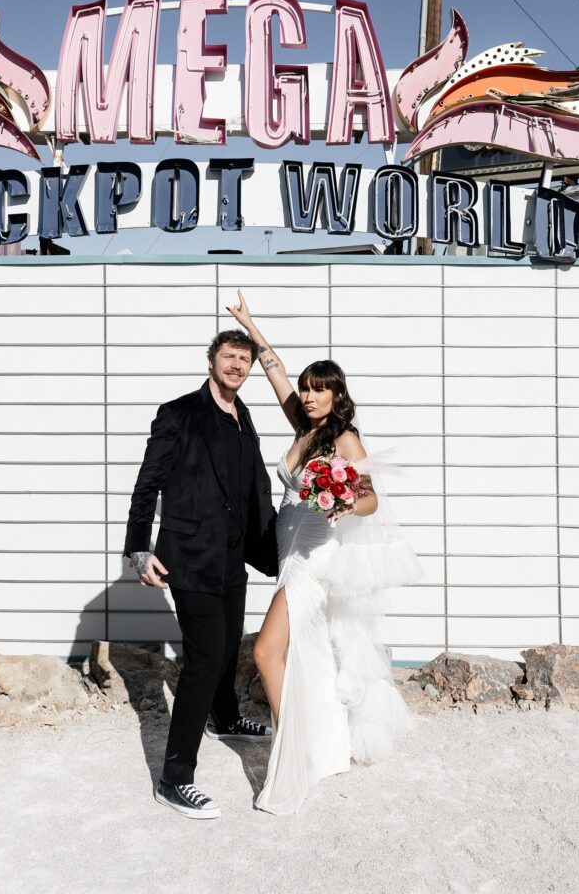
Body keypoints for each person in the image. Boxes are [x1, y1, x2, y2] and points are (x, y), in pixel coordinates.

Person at [227, 290, 425, 815]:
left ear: (338, 397)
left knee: (268, 653)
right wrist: (250, 325)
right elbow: (275, 372)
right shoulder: (304, 428)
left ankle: (294, 745)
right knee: (308, 658)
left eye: (320, 391)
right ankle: (322, 743)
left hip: (314, 560)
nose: (309, 397)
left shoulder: (345, 439)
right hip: (288, 555)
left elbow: (370, 497)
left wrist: (341, 504)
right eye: (308, 390)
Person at [123, 329, 279, 820]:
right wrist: (137, 551)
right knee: (204, 661)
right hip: (189, 556)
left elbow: (251, 487)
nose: (237, 365)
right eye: (229, 356)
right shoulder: (179, 413)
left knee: (228, 641)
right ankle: (174, 779)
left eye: (245, 359)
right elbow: (147, 485)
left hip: (234, 557)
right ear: (211, 360)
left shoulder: (242, 415)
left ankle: (225, 718)